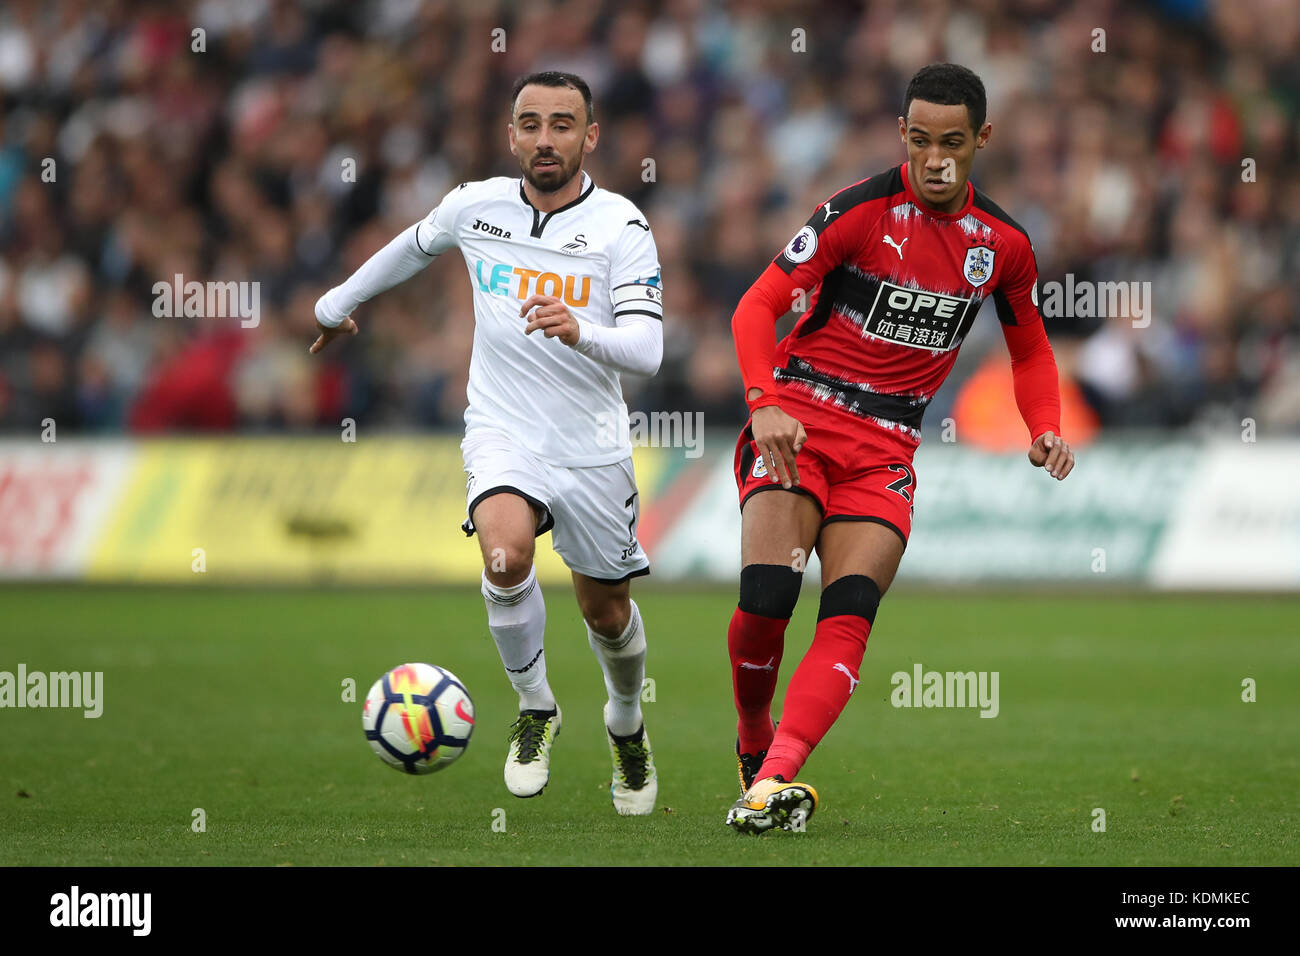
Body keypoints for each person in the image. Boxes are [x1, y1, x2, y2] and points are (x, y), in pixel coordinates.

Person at [724, 63, 1075, 834]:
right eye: (920, 141)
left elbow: (1031, 351)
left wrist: (1043, 424)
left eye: (953, 142)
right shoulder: (854, 213)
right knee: (766, 607)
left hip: (886, 447)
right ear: (902, 136)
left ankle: (773, 780)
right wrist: (765, 402)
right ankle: (753, 739)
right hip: (801, 424)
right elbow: (755, 309)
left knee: (850, 611)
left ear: (982, 138)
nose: (935, 159)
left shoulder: (1006, 245)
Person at [310, 71, 664, 815]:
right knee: (505, 555)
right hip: (502, 428)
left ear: (589, 137)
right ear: (511, 135)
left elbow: (649, 349)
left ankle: (625, 721)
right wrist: (336, 303)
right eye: (530, 123)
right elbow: (410, 247)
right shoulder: (476, 206)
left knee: (606, 611)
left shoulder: (621, 227)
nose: (545, 138)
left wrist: (582, 331)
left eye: (563, 124)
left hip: (591, 446)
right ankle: (536, 707)